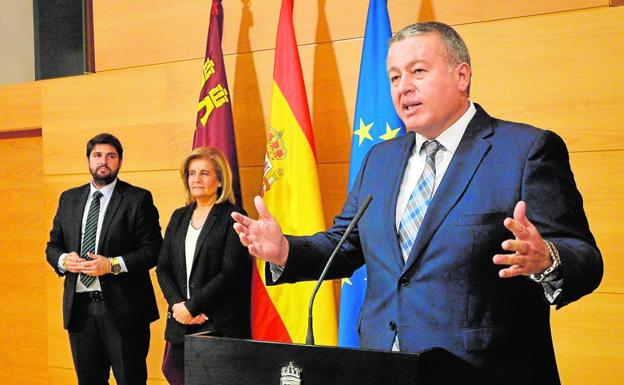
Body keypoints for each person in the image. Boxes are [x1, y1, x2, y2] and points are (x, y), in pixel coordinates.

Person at [231, 22, 603, 384]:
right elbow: (344, 246)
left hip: (483, 370)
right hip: (384, 367)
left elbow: (585, 258)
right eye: (394, 77)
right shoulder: (380, 159)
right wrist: (283, 251)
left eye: (418, 71)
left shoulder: (524, 151)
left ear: (462, 76)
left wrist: (547, 258)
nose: (403, 87)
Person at [46, 133, 162, 385]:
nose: (104, 161)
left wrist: (112, 265)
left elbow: (153, 250)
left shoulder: (137, 199)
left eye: (111, 156)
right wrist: (65, 260)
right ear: (88, 160)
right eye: (97, 155)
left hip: (124, 310)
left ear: (120, 161)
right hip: (80, 311)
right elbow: (53, 246)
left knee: (130, 380)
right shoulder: (69, 198)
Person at [156, 147, 251, 384]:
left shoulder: (233, 216)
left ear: (220, 180)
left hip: (218, 326)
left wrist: (193, 306)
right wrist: (179, 307)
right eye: (191, 173)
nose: (196, 179)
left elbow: (230, 273)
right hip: (181, 327)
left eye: (204, 173)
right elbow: (163, 267)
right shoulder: (178, 217)